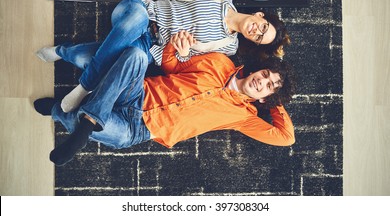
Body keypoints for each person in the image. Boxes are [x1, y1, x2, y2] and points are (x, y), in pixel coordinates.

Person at [36, 0, 289, 113]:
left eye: (259, 39)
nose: (256, 32)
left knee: (88, 57)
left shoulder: (229, 47)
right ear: (259, 15)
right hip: (143, 14)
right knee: (132, 22)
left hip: (152, 49)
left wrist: (183, 52)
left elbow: (189, 65)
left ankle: (62, 51)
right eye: (263, 28)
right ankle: (86, 86)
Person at [34, 31, 296, 166]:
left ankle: (62, 112)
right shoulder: (220, 61)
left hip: (139, 129)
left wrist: (277, 98)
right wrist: (175, 48)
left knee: (83, 122)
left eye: (268, 86)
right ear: (257, 70)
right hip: (139, 92)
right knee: (136, 55)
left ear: (265, 99)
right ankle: (87, 118)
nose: (262, 82)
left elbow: (286, 137)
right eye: (265, 74)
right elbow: (171, 66)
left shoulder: (245, 118)